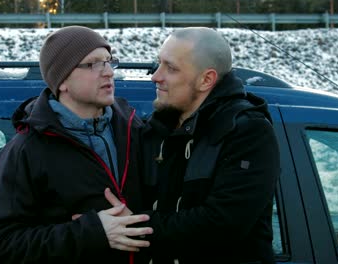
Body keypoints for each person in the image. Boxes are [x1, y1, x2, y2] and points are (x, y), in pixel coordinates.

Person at [106, 27, 281, 263]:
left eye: (171, 68)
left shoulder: (246, 131)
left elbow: (223, 224)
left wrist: (136, 224)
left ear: (206, 79)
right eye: (158, 64)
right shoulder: (153, 131)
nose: (156, 76)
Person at [0, 26, 153, 264]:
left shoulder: (133, 127)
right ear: (62, 80)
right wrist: (91, 233)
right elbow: (6, 247)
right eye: (93, 64)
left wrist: (139, 219)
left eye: (108, 61)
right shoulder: (26, 150)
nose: (108, 72)